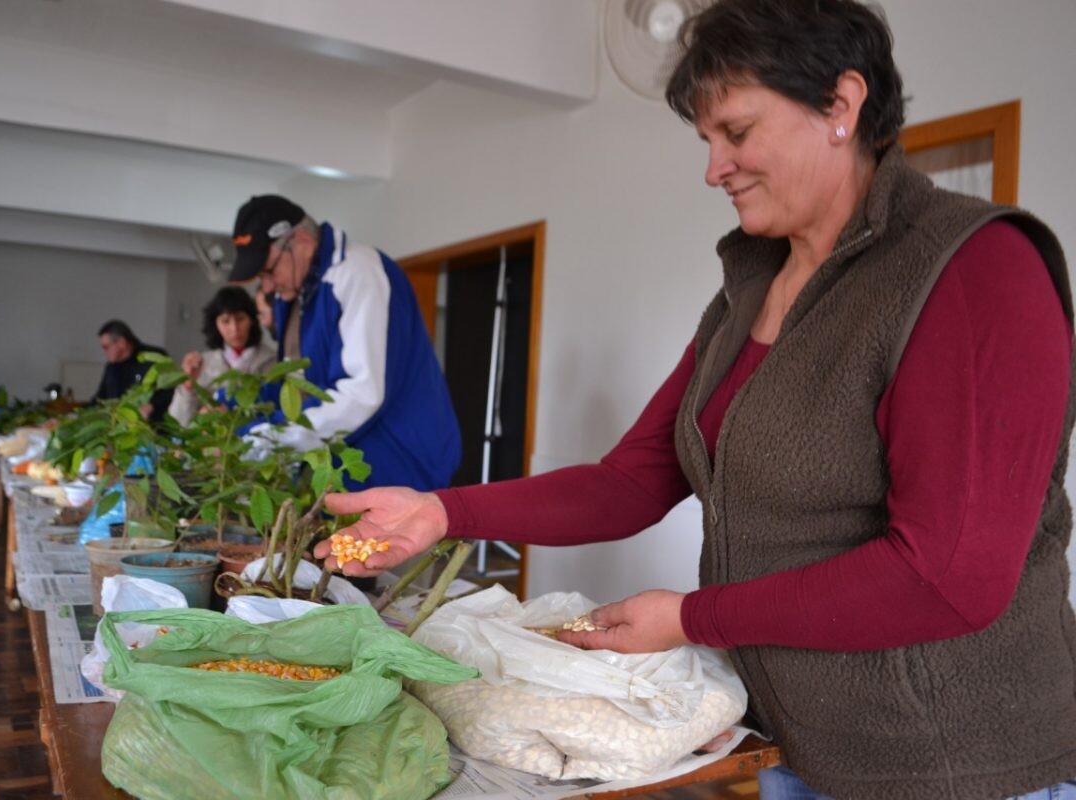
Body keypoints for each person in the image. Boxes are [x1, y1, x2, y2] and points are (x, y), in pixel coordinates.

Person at [315, 1, 1076, 798]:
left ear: (841, 106)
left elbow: (945, 577)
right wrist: (441, 513)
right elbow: (633, 480)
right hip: (796, 745)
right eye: (707, 140)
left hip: (951, 767)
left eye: (737, 133)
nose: (714, 168)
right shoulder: (751, 291)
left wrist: (691, 618)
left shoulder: (972, 269)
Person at [227, 194, 461, 492]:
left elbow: (362, 393)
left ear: (301, 241)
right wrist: (234, 403)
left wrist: (268, 438)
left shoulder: (358, 273)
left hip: (396, 469)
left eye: (269, 271)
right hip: (339, 473)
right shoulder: (296, 296)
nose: (268, 287)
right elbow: (296, 385)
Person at [169, 287, 280, 426]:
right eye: (225, 321)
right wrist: (187, 386)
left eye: (240, 319)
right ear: (215, 325)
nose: (234, 328)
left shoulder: (273, 362)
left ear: (252, 320)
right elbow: (178, 423)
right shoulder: (202, 364)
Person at [93, 319, 172, 423]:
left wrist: (152, 405)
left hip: (154, 426)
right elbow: (100, 399)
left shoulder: (152, 357)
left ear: (121, 342)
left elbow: (170, 388)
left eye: (106, 347)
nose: (105, 352)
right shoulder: (111, 367)